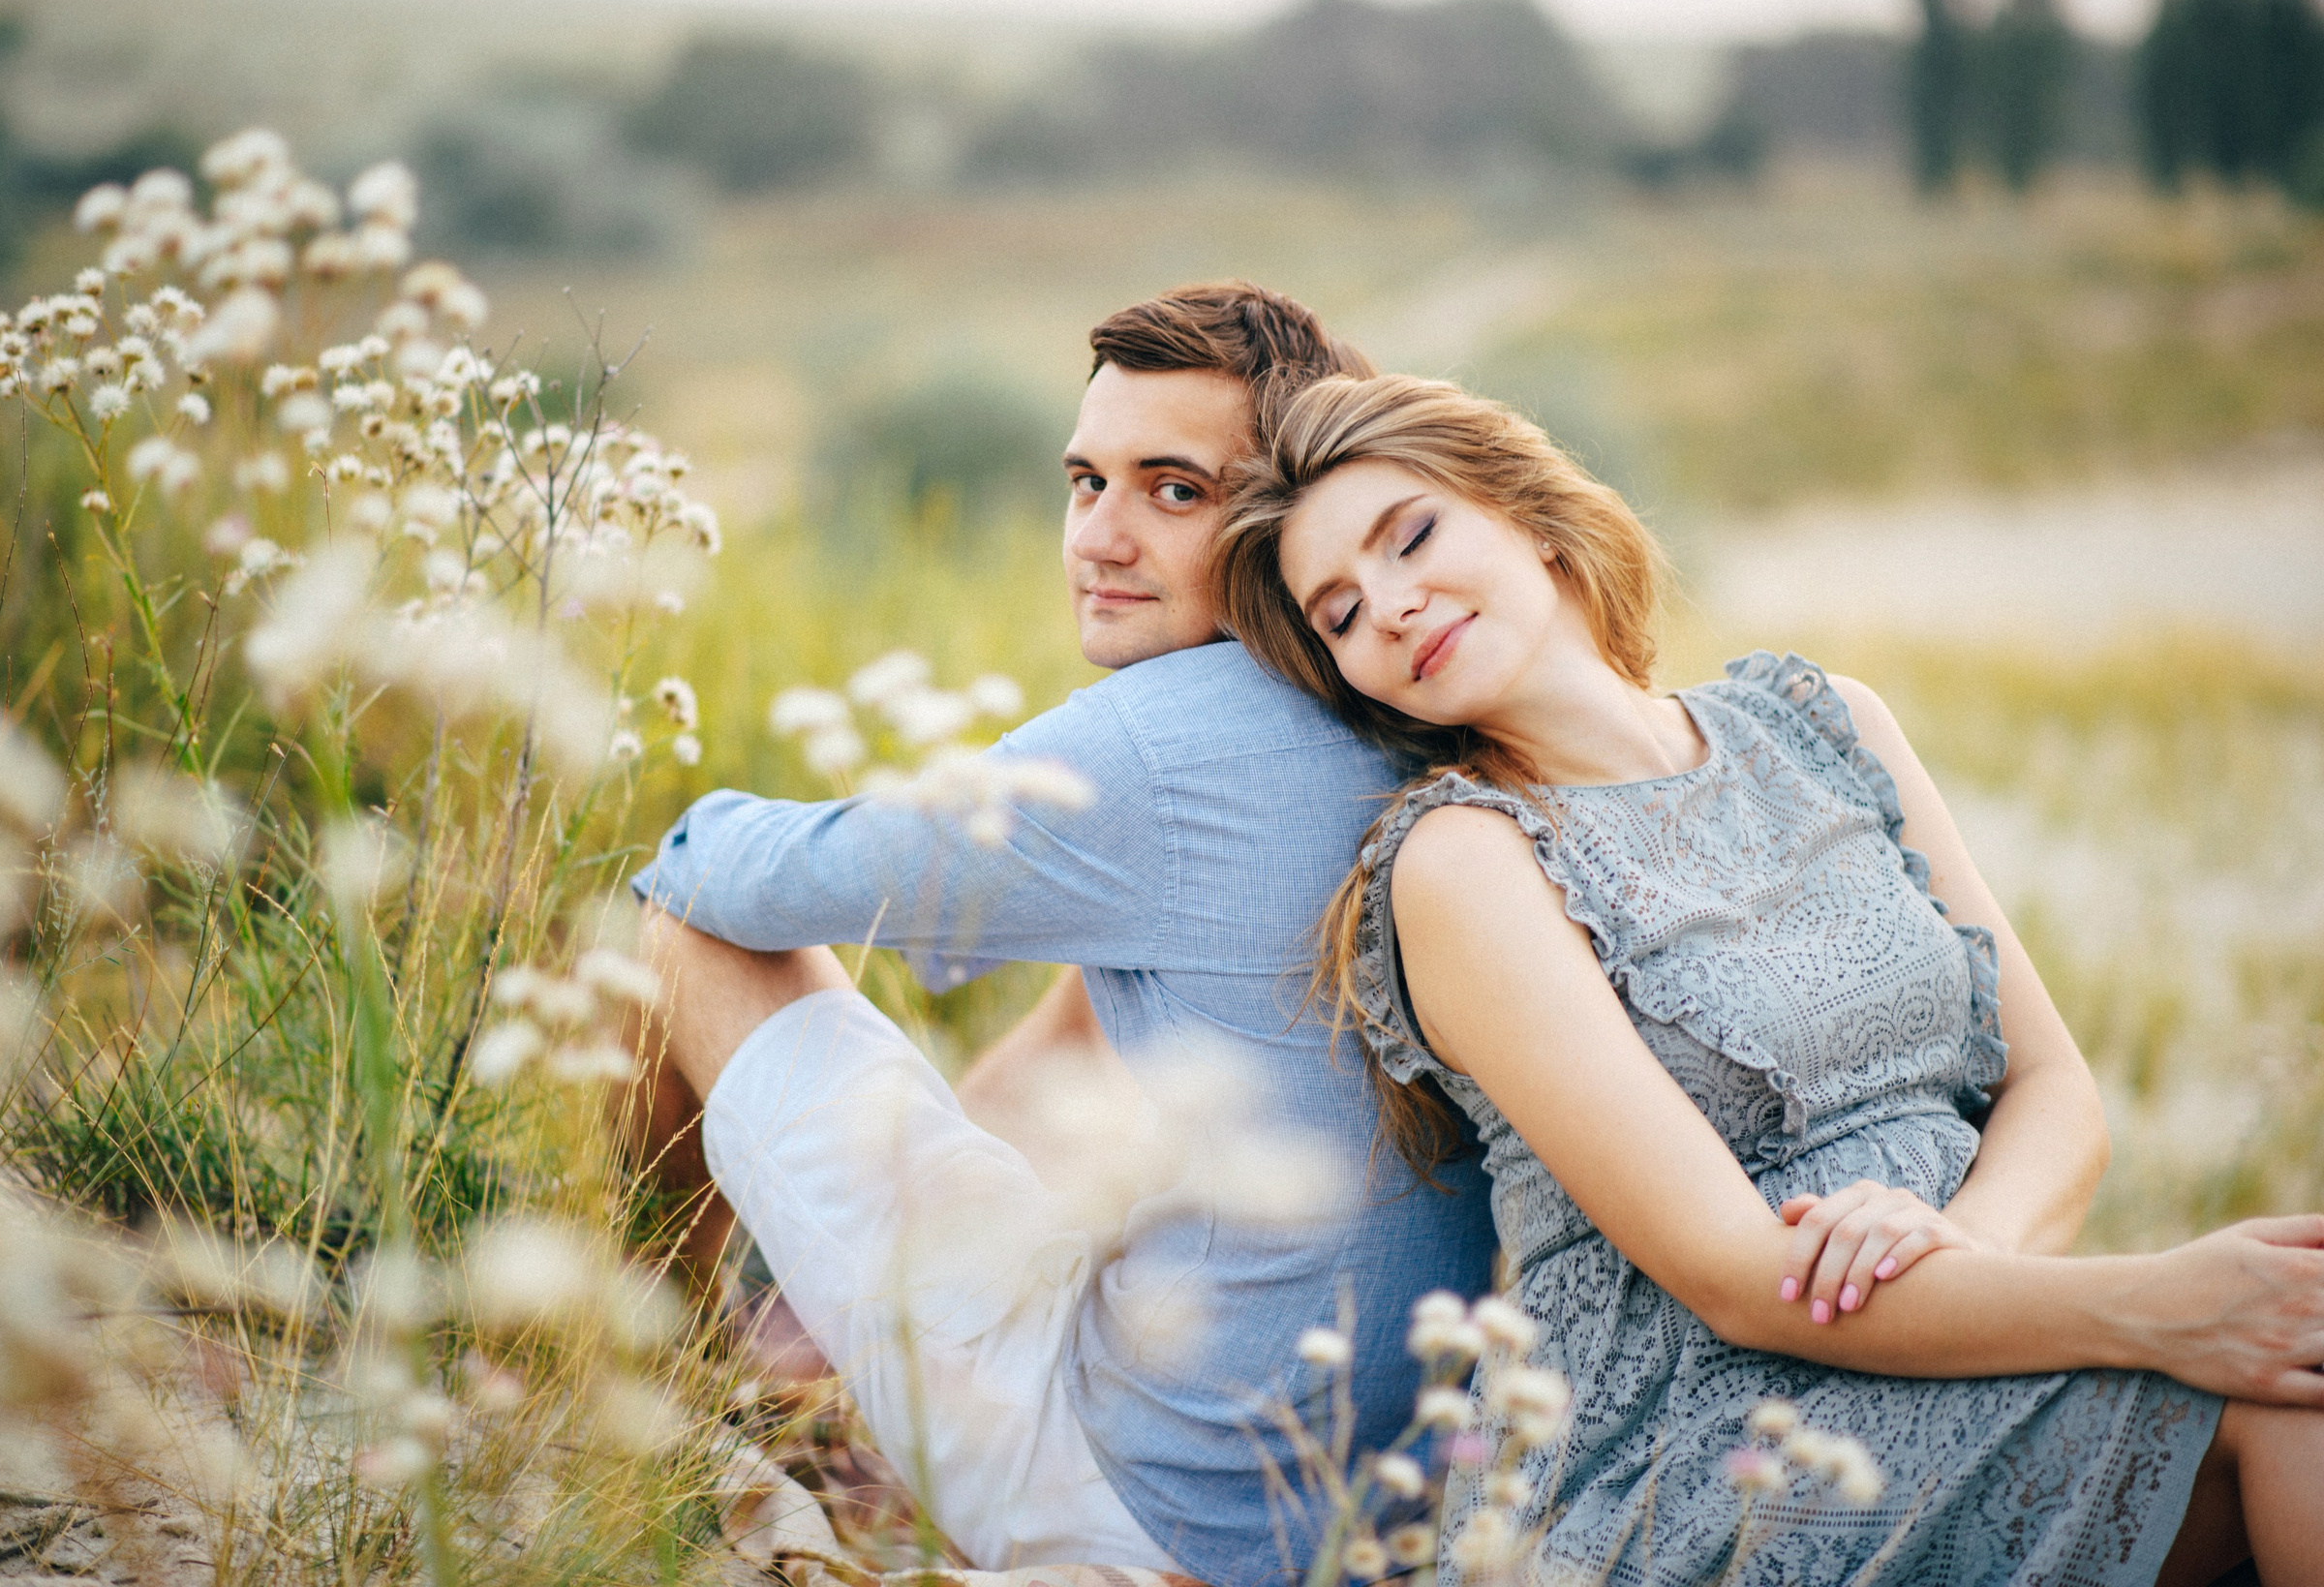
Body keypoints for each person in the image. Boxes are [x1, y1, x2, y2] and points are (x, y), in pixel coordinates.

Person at [1209, 371, 2324, 1586]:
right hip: (1707, 1434)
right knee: (2295, 1405)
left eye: (1411, 535)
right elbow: (1738, 1284)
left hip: (1974, 1327)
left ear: (1525, 512)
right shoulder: (1465, 860)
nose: (1390, 605)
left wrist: (1961, 1246)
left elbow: (2053, 1086)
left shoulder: (1823, 722)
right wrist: (2157, 1302)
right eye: (1339, 614)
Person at [622, 284, 1502, 1584]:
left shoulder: (1150, 748)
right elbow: (1060, 1049)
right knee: (1105, 1012)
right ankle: (787, 1352)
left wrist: (689, 838)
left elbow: (727, 882)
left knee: (683, 933)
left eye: (1174, 491)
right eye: (1086, 482)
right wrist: (860, 1286)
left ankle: (654, 1357)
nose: (1101, 535)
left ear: (1282, 520)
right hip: (1377, 1508)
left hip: (1145, 1510)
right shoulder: (1420, 699)